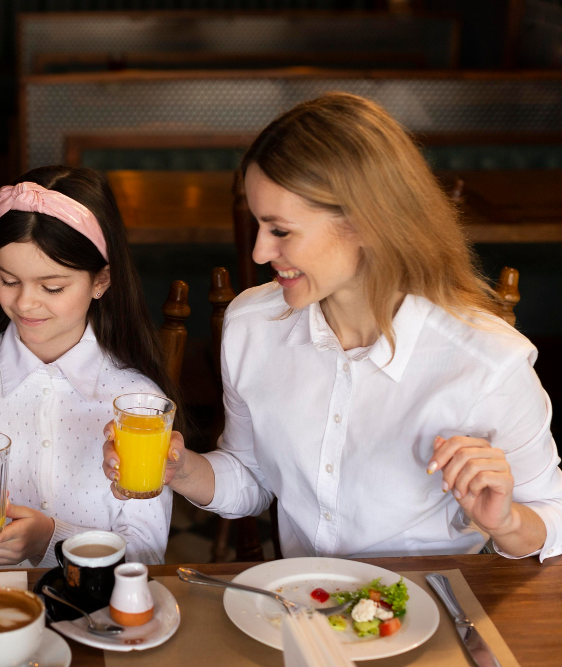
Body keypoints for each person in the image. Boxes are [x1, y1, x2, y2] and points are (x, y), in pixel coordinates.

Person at [103, 93, 562, 561]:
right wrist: (178, 469)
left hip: (430, 612)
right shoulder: (251, 326)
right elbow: (251, 476)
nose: (260, 252)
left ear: (366, 222)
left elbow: (551, 520)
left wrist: (504, 522)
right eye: (258, 226)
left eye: (280, 230)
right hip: (301, 605)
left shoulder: (491, 362)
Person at [0, 166, 180, 569]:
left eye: (52, 287)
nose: (25, 304)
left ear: (101, 280)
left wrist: (51, 540)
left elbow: (147, 555)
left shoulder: (138, 408)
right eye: (9, 280)